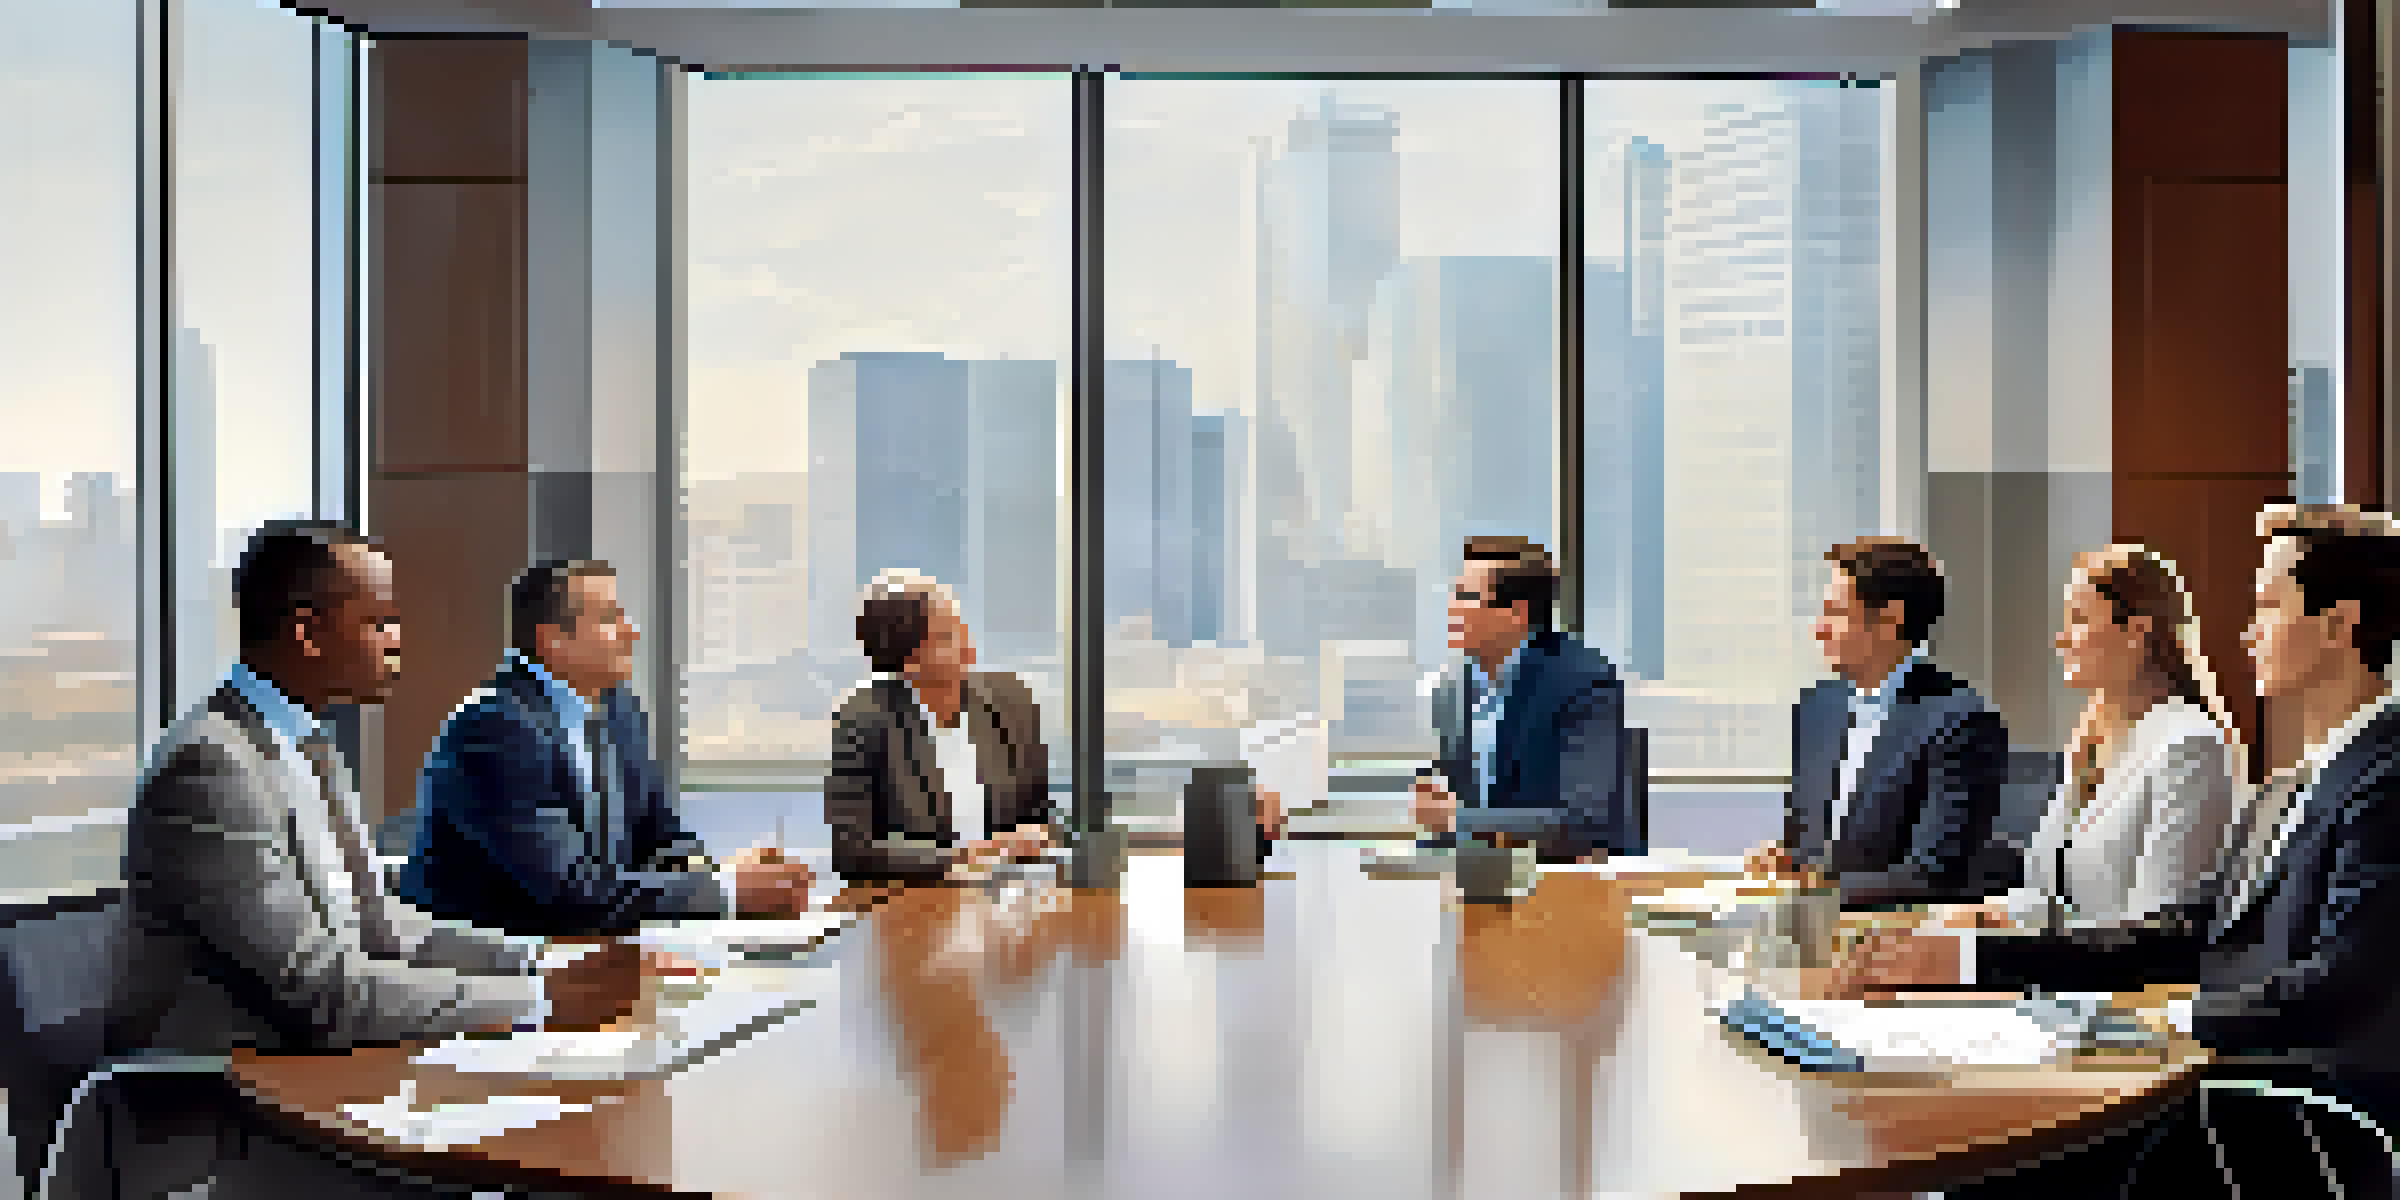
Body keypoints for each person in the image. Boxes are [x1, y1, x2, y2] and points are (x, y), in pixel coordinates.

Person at [75, 522, 668, 1199]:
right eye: (379, 622)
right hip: (223, 1114)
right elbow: (319, 989)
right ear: (308, 632)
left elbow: (385, 928)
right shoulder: (213, 768)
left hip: (321, 1077)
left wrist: (537, 962)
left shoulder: (309, 746)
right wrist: (537, 1002)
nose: (397, 642)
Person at [1844, 505, 2400, 1196]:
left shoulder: (2387, 775)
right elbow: (2178, 933)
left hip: (2287, 1119)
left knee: (1987, 1162)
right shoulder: (2284, 788)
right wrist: (1970, 958)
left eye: (2267, 605)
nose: (2247, 632)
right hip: (2217, 1086)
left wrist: (2164, 1019)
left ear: (2340, 625)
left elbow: (2346, 985)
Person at [398, 559, 814, 935]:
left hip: (591, 948)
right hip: (492, 968)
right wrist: (726, 891)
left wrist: (722, 875)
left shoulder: (618, 708)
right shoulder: (493, 730)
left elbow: (660, 837)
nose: (631, 632)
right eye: (611, 619)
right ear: (551, 641)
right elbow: (569, 895)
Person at [1941, 545, 2242, 932]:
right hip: (2060, 981)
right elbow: (2051, 894)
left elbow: (2156, 927)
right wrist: (1982, 916)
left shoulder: (2190, 746)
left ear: (2137, 631)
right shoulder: (2093, 744)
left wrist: (1983, 950)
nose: (2061, 640)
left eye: (2079, 620)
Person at [1745, 538, 2013, 907]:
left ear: (1890, 620)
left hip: (1900, 938)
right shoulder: (1817, 708)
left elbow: (1933, 875)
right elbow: (1811, 849)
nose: (1819, 630)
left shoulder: (1960, 722)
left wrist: (1812, 891)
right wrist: (1785, 861)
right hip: (1814, 927)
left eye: (1836, 613)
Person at [1411, 536, 1635, 863]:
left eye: (1467, 597)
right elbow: (1451, 816)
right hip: (1480, 880)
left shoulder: (1584, 682)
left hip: (1566, 885)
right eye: (1454, 594)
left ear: (1517, 613)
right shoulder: (1453, 691)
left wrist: (1459, 820)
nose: (1452, 608)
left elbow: (1586, 820)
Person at [827, 570, 1057, 882]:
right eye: (948, 636)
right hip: (915, 908)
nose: (967, 643)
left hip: (1009, 902)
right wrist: (975, 853)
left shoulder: (1011, 702)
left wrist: (1037, 838)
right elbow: (852, 851)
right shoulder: (861, 720)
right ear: (908, 662)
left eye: (962, 625)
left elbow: (1043, 817)